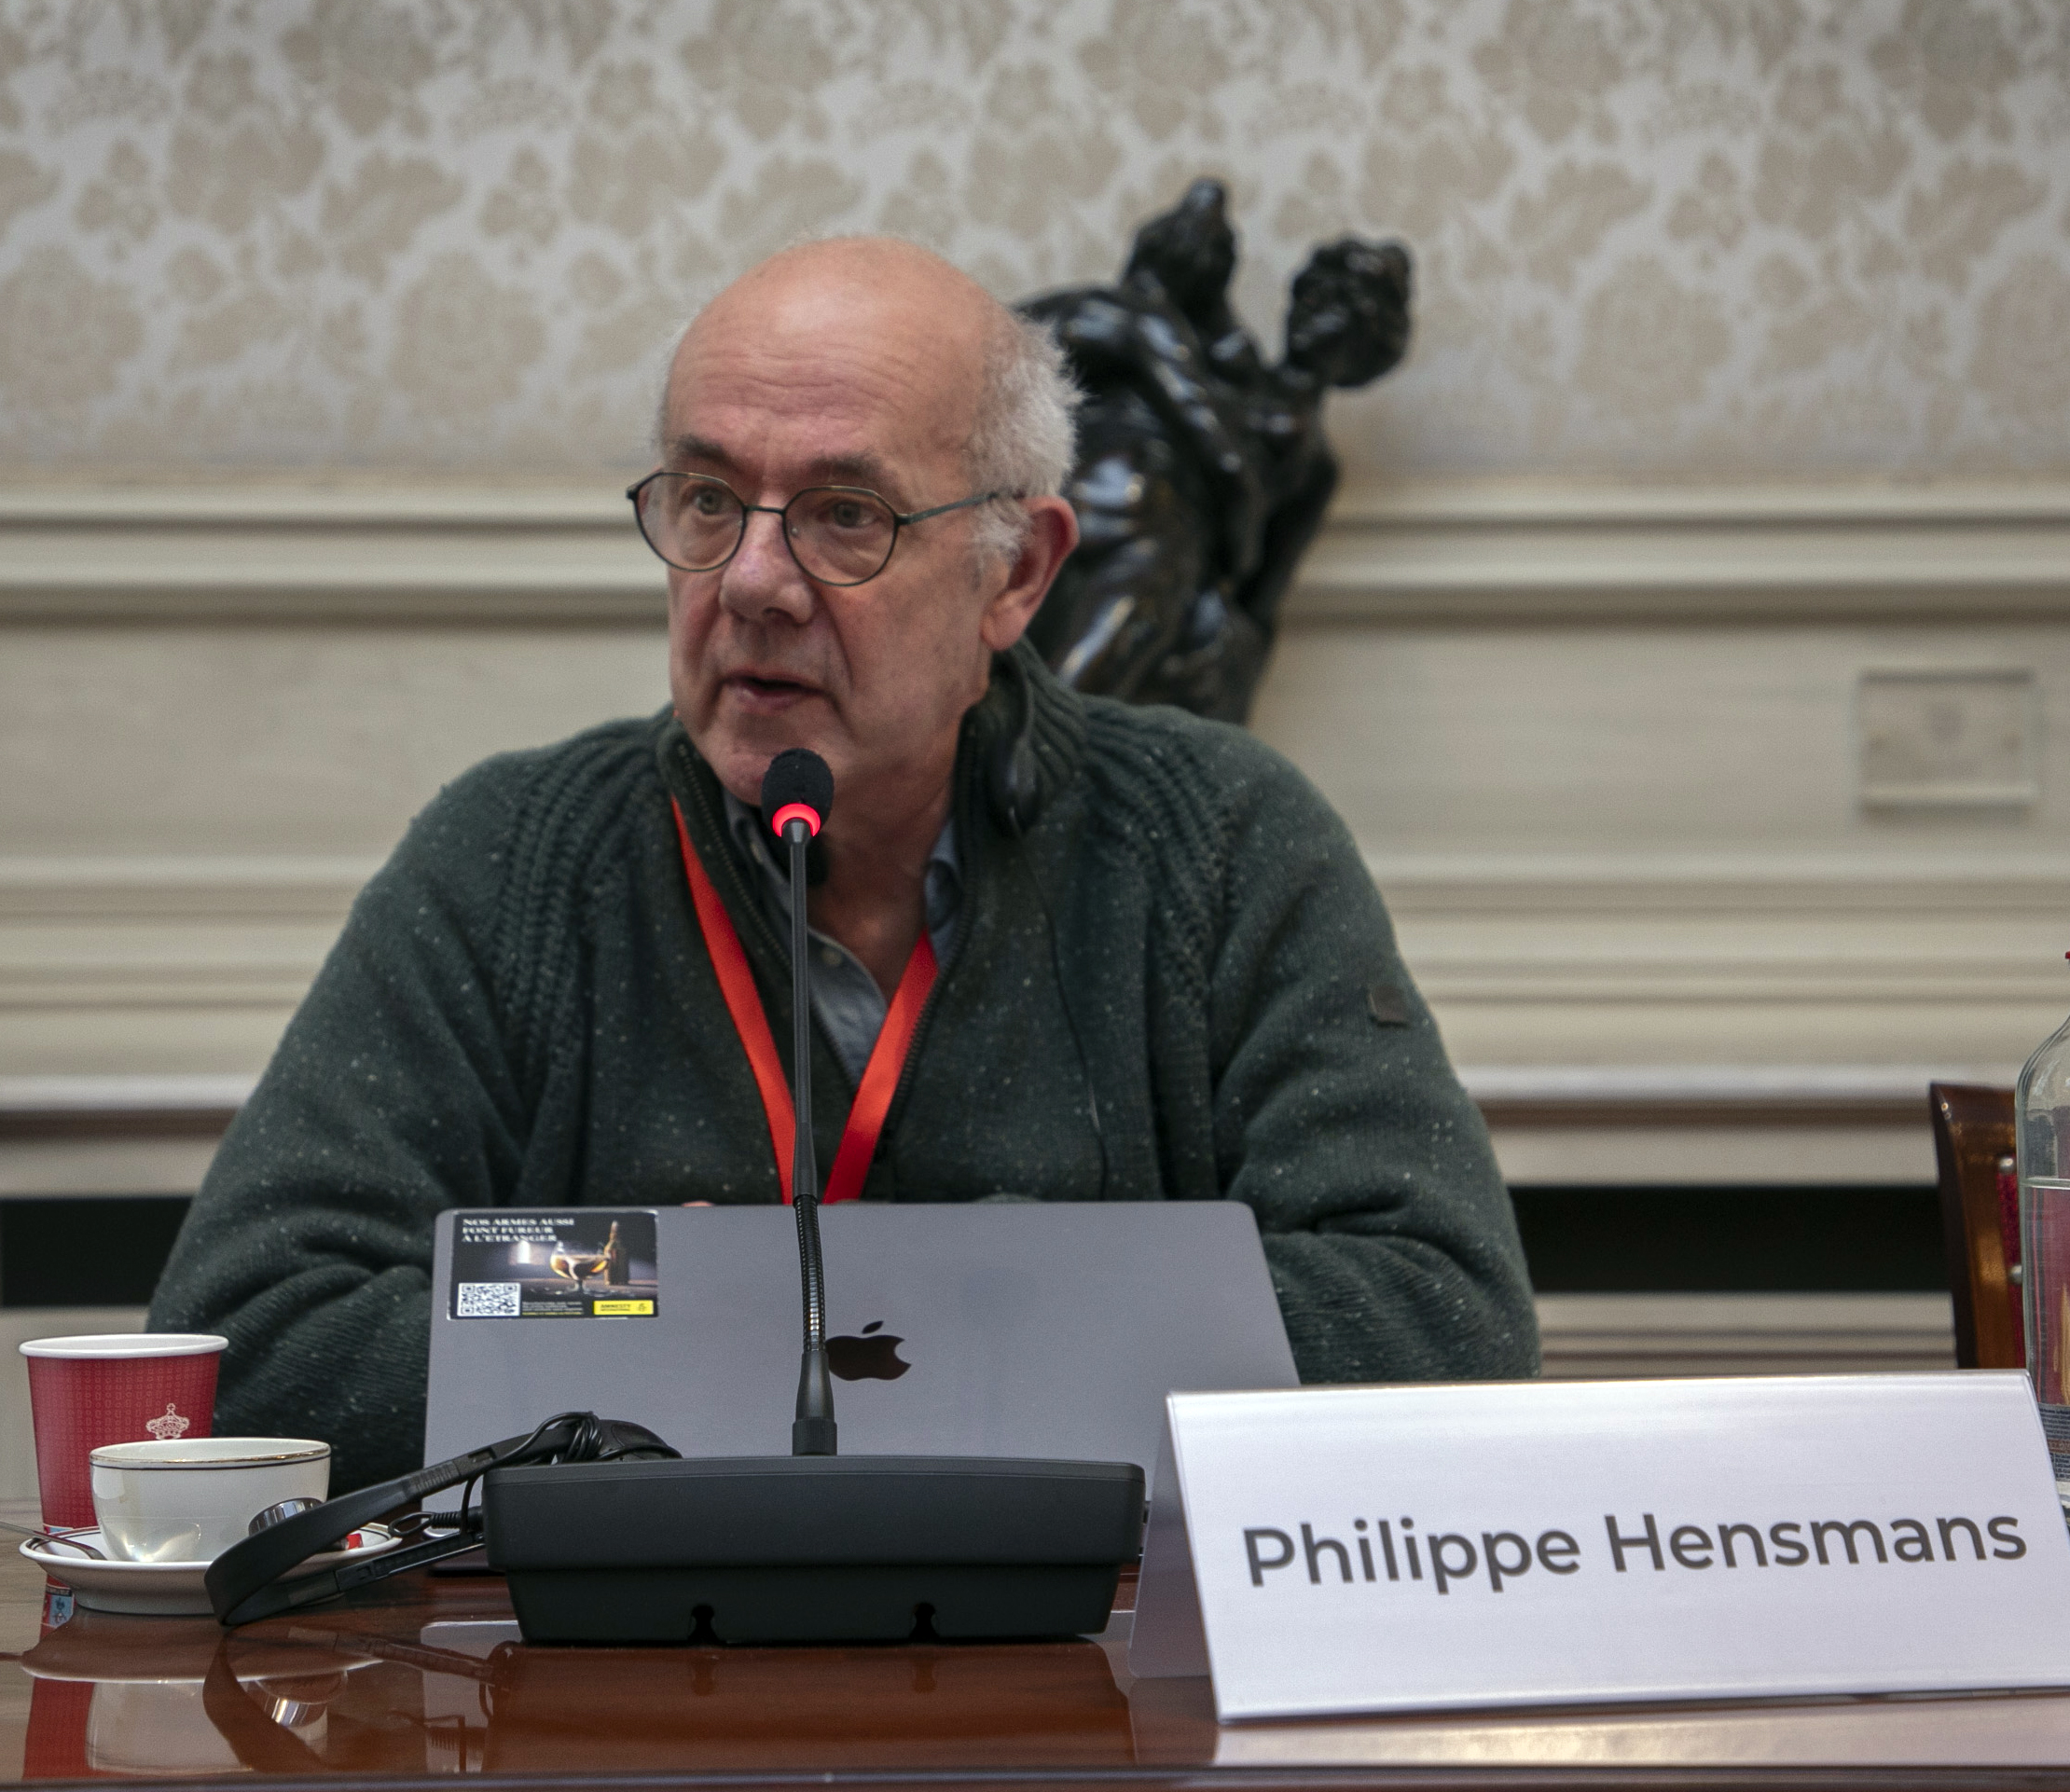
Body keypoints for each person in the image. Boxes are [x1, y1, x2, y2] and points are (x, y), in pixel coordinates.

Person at [149, 239, 1537, 1493]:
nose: (751, 579)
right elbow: (246, 1341)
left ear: (1017, 574)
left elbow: (1441, 1320)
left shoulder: (1219, 840)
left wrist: (868, 1297)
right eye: (707, 500)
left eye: (845, 515)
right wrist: (645, 1296)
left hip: (1094, 1710)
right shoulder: (510, 858)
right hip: (617, 1716)